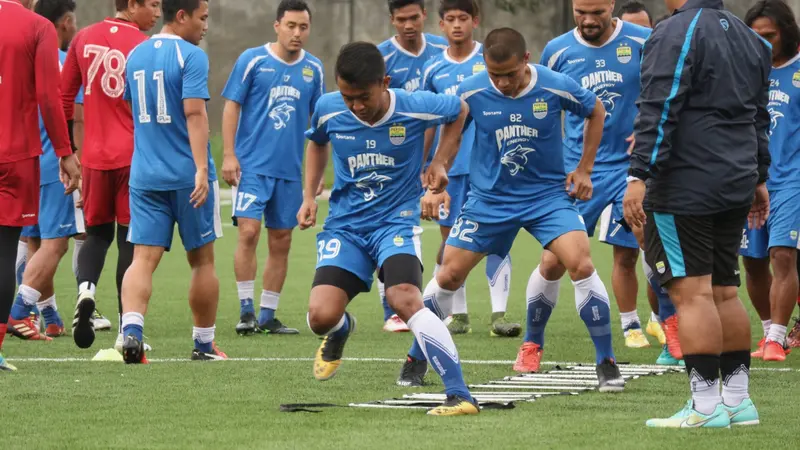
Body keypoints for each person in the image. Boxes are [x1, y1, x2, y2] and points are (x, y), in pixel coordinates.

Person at [421, 27, 627, 391]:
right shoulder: (472, 89)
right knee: (449, 276)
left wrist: (584, 169)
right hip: (490, 200)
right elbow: (453, 130)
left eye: (509, 74)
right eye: (494, 74)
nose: (501, 83)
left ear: (526, 60)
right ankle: (415, 357)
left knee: (580, 262)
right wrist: (440, 165)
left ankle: (606, 361)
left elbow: (595, 109)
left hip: (546, 198)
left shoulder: (552, 85)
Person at [298, 41, 479, 416]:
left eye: (363, 97)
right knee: (320, 318)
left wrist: (441, 161)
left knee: (404, 299)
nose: (356, 106)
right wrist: (309, 195)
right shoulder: (329, 107)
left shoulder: (415, 105)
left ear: (386, 82)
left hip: (395, 222)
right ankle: (340, 327)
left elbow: (460, 110)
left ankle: (459, 394)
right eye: (348, 97)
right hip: (345, 227)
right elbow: (316, 143)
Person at [624, 0, 771, 428]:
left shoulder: (675, 31)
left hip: (686, 182)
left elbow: (659, 104)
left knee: (692, 294)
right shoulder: (752, 39)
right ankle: (737, 402)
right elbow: (759, 117)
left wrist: (639, 175)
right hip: (736, 178)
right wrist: (759, 176)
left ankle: (704, 407)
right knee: (725, 289)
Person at [534, 0, 652, 358]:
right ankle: (532, 340)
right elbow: (541, 107)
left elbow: (664, 93)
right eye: (580, 12)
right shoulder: (556, 51)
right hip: (577, 169)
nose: (588, 20)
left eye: (597, 12)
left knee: (652, 240)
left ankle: (670, 328)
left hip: (631, 169)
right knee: (554, 261)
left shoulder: (644, 41)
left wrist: (648, 128)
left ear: (611, 5)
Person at [120, 0, 226, 363]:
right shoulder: (191, 56)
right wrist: (200, 168)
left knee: (142, 259)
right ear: (182, 16)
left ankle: (131, 331)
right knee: (202, 261)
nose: (206, 27)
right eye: (203, 18)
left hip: (145, 174)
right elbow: (195, 113)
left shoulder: (134, 54)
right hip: (188, 177)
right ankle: (204, 344)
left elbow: (131, 107)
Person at [61, 0, 162, 350]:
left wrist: (67, 153)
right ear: (131, 5)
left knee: (96, 236)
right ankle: (125, 330)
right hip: (134, 157)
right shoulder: (146, 47)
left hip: (93, 157)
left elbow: (64, 98)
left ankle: (85, 291)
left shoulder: (83, 38)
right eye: (153, 4)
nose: (158, 13)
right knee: (129, 243)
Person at [221, 0, 324, 336]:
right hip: (251, 167)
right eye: (291, 26)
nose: (297, 33)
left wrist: (315, 177)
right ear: (277, 25)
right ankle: (246, 311)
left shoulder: (314, 69)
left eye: (303, 27)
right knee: (248, 233)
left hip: (290, 172)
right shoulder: (252, 60)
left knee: (281, 241)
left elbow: (318, 127)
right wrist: (229, 154)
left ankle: (267, 315)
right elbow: (231, 106)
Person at [418, 0, 520, 339]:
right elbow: (431, 121)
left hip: (490, 167)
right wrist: (425, 164)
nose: (457, 25)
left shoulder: (488, 61)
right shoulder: (433, 70)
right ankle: (458, 315)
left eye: (464, 18)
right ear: (441, 24)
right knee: (452, 242)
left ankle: (499, 315)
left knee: (497, 239)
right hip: (450, 170)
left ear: (475, 21)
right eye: (451, 19)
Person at [0, 0, 81, 372]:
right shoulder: (37, 28)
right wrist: (67, 153)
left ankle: (45, 313)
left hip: (25, 157)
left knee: (27, 245)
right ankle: (9, 328)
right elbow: (53, 98)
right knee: (10, 249)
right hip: (18, 155)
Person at [376, 0, 448, 332]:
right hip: (390, 158)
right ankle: (390, 308)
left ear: (424, 17)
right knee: (387, 225)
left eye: (414, 18)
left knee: (433, 229)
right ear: (392, 20)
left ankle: (433, 303)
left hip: (434, 159)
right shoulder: (381, 58)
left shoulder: (441, 51)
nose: (408, 25)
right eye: (401, 19)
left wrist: (435, 160)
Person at [741, 0, 800, 362]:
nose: (763, 42)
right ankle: (767, 332)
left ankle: (778, 338)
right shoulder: (746, 75)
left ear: (787, 33)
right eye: (756, 36)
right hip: (749, 181)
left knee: (782, 254)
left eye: (770, 35)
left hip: (792, 179)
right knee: (753, 260)